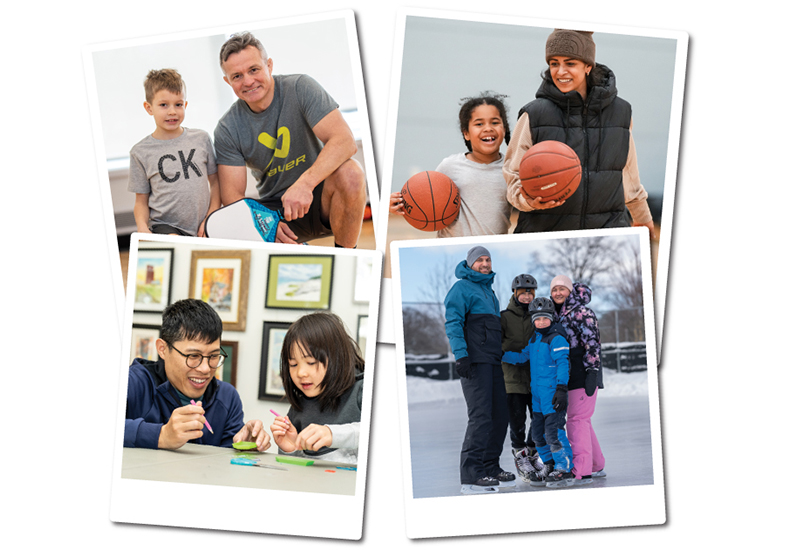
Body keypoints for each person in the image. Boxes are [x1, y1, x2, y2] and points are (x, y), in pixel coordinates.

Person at [213, 32, 367, 248]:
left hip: (321, 198)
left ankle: (348, 260)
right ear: (227, 81)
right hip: (274, 213)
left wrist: (305, 183)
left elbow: (344, 141)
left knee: (352, 173)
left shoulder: (300, 88)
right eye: (237, 76)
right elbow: (232, 198)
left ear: (269, 65)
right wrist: (265, 225)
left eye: (254, 70)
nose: (248, 81)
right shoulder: (227, 128)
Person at [502, 29, 655, 237]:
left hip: (607, 237)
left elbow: (628, 174)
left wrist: (643, 216)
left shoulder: (620, 112)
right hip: (546, 238)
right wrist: (527, 200)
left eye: (570, 63)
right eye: (554, 63)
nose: (560, 71)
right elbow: (513, 176)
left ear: (588, 66)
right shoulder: (534, 114)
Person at [124, 299, 270, 451]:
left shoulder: (227, 397)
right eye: (193, 356)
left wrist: (245, 447)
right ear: (163, 349)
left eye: (213, 356)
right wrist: (161, 435)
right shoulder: (134, 382)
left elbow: (227, 461)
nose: (205, 369)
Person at [389, 93, 513, 237]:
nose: (488, 128)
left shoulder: (510, 169)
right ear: (466, 133)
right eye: (479, 124)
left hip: (493, 248)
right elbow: (426, 199)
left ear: (504, 129)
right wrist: (397, 204)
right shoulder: (450, 165)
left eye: (495, 122)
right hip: (450, 247)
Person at [444, 246, 515, 494]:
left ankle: (490, 466)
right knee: (481, 416)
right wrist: (461, 355)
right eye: (479, 260)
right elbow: (453, 323)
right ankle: (471, 473)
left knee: (500, 416)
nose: (484, 264)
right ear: (470, 264)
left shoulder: (490, 292)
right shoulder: (461, 288)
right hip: (475, 362)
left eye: (487, 259)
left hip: (493, 361)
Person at [128, 69, 221, 237]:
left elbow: (215, 183)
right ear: (149, 108)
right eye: (164, 105)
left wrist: (211, 217)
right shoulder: (140, 152)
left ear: (185, 105)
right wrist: (142, 227)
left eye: (178, 104)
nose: (172, 111)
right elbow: (141, 201)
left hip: (204, 223)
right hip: (165, 226)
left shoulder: (201, 139)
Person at [270, 312, 364, 465]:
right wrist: (291, 449)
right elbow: (298, 474)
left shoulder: (363, 389)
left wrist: (332, 434)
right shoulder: (298, 409)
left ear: (337, 358)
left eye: (311, 362)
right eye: (293, 365)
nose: (300, 373)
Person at [502, 297, 575, 488]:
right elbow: (521, 357)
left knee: (554, 433)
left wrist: (561, 388)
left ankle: (564, 467)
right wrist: (500, 353)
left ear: (551, 318)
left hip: (553, 394)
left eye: (545, 318)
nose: (541, 322)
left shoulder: (557, 338)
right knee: (537, 435)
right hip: (537, 398)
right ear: (533, 320)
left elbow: (563, 363)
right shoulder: (534, 339)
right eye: (537, 319)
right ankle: (549, 465)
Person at [551, 275, 606, 484]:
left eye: (562, 289)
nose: (558, 293)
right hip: (569, 374)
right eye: (554, 289)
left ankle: (582, 470)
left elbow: (593, 343)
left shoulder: (582, 313)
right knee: (581, 419)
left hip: (584, 373)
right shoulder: (558, 314)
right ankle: (595, 464)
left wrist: (592, 371)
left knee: (577, 420)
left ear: (570, 291)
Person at [500, 274, 546, 483]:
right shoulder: (504, 317)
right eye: (523, 292)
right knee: (517, 421)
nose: (527, 296)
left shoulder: (540, 315)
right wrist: (512, 355)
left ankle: (532, 452)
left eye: (530, 292)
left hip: (535, 378)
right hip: (513, 379)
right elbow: (497, 345)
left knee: (539, 420)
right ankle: (521, 458)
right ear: (515, 293)